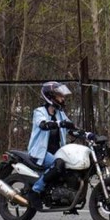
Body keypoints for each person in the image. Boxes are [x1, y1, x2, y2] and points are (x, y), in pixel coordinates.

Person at [27, 81, 75, 210]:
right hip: (39, 152)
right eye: (60, 96)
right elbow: (44, 125)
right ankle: (35, 191)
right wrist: (61, 124)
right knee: (58, 164)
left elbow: (71, 128)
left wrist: (88, 135)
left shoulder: (60, 114)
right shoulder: (39, 112)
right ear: (51, 97)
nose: (63, 99)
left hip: (56, 151)